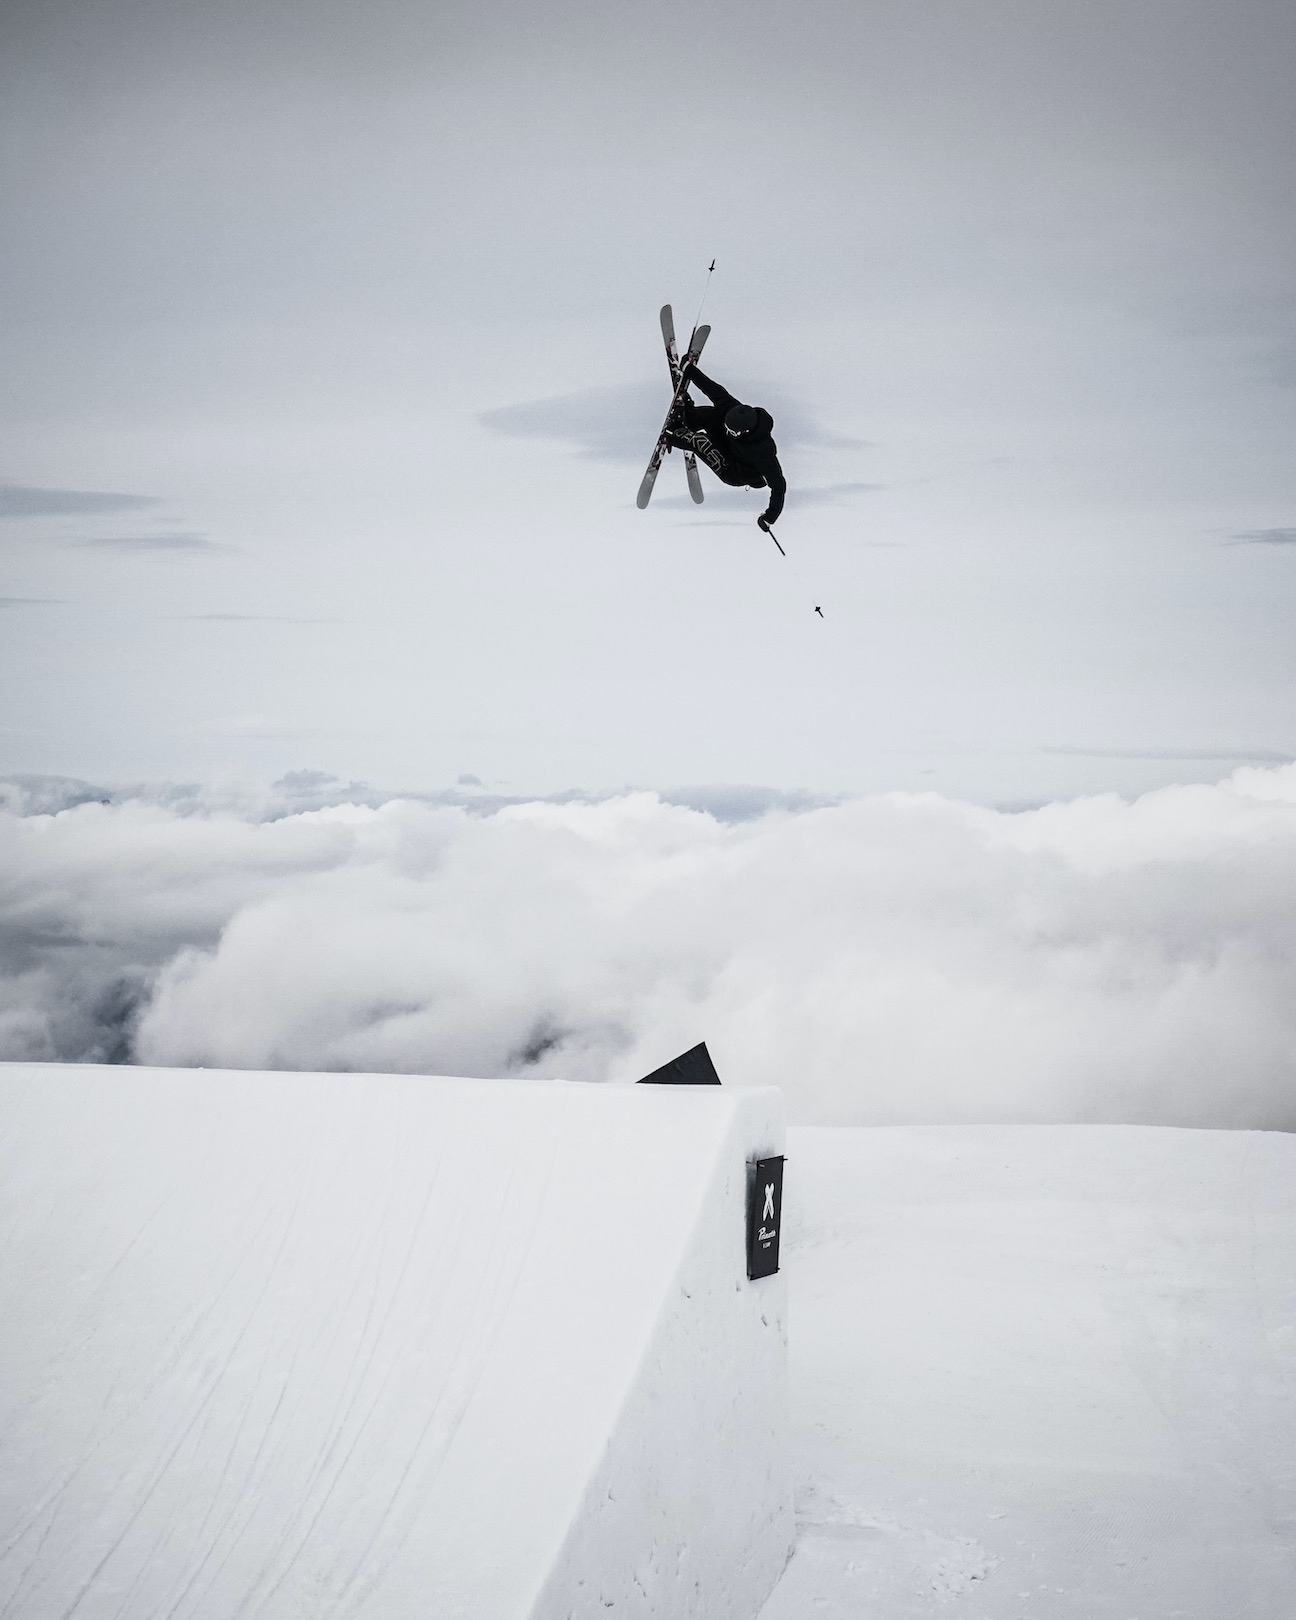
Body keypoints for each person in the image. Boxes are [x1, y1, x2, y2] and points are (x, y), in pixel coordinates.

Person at [667, 366, 786, 530]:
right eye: (728, 428)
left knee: (703, 442)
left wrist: (769, 518)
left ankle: (672, 433)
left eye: (732, 431)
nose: (729, 431)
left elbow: (779, 487)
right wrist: (690, 371)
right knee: (713, 415)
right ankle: (687, 417)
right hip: (732, 446)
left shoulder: (763, 453)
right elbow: (712, 389)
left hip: (733, 471)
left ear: (745, 432)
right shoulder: (733, 409)